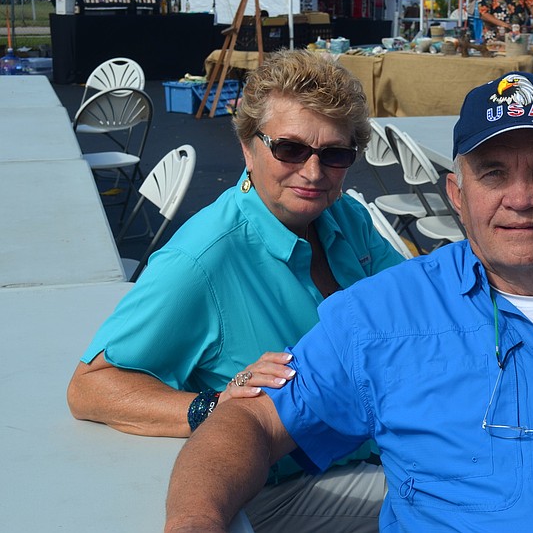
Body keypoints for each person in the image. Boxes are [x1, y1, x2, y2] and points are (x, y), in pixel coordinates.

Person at [165, 72, 533, 532]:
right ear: (457, 193)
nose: (522, 197)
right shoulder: (385, 316)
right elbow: (251, 420)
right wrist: (197, 523)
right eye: (494, 173)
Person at [66, 49, 405, 532]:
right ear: (248, 147)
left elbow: (413, 308)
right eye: (289, 149)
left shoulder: (341, 216)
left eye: (334, 154)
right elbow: (90, 386)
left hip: (369, 445)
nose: (312, 172)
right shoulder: (203, 259)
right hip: (284, 488)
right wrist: (211, 406)